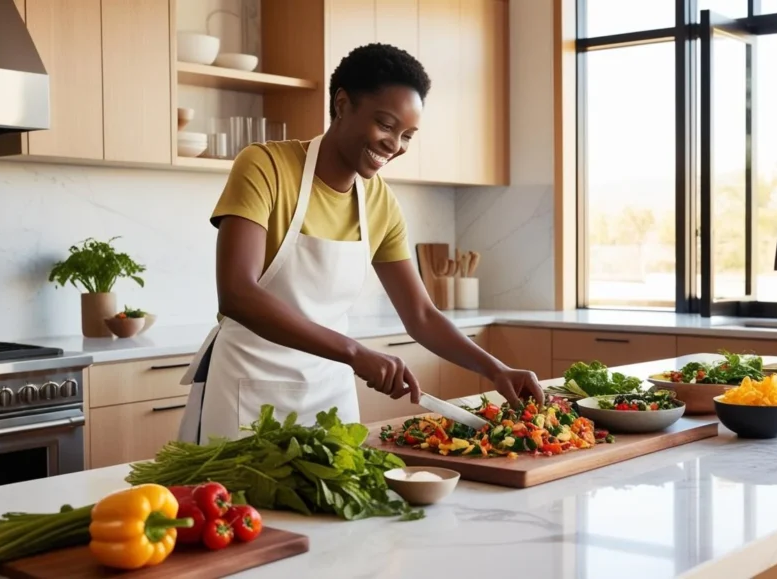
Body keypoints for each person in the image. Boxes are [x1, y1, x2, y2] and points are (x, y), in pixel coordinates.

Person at [177, 43, 544, 444]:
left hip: (330, 395)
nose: (395, 145)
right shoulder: (266, 167)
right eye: (385, 125)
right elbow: (237, 293)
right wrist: (354, 353)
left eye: (407, 135)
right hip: (247, 391)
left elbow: (420, 314)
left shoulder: (379, 202)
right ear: (342, 104)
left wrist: (496, 370)